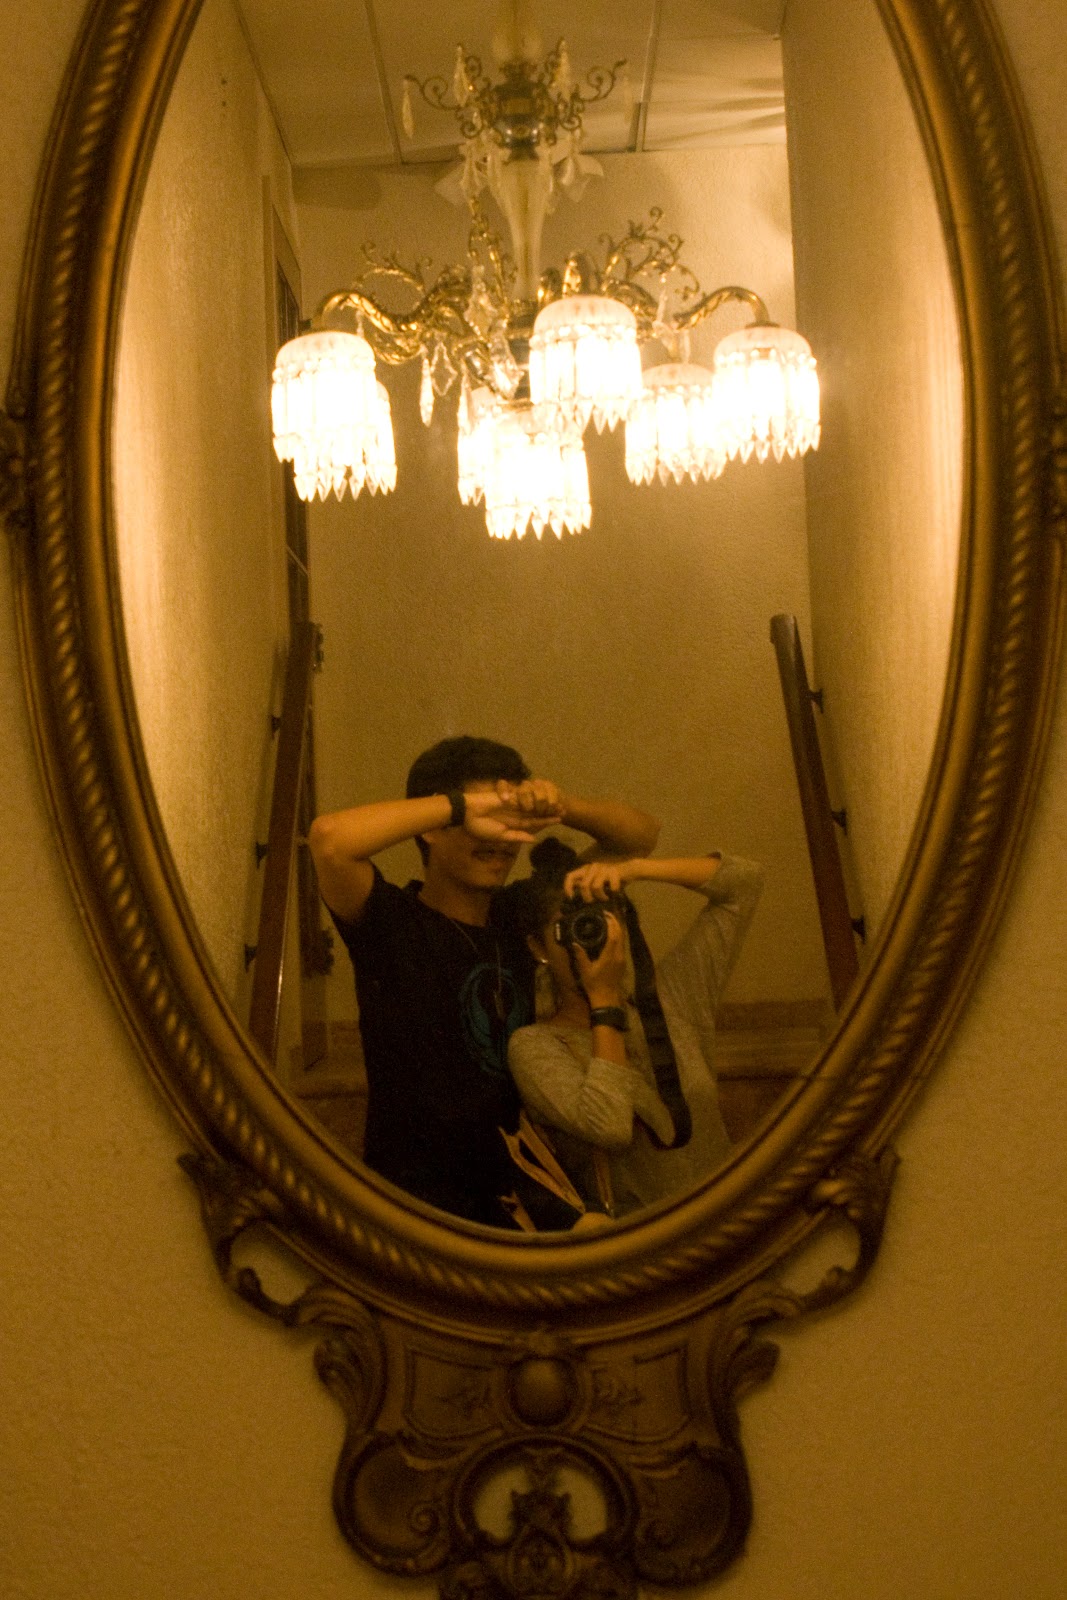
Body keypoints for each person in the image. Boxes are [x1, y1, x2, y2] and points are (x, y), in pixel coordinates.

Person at [307, 736, 659, 1228]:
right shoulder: (391, 921)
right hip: (415, 1201)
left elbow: (639, 839)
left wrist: (560, 806)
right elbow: (329, 840)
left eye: (510, 822)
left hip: (522, 1193)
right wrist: (464, 806)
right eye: (486, 819)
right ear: (433, 827)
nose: (500, 838)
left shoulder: (518, 916)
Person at [503, 838, 764, 1218]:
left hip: (732, 1221)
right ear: (538, 947)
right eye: (571, 927)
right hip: (640, 1245)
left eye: (600, 919)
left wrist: (636, 870)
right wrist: (604, 1000)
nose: (587, 939)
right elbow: (611, 1126)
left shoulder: (673, 1000)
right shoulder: (535, 1046)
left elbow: (745, 882)